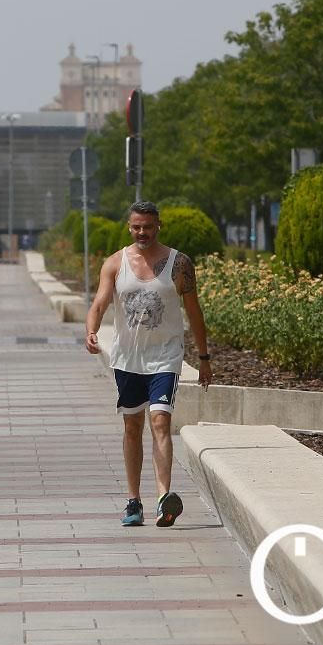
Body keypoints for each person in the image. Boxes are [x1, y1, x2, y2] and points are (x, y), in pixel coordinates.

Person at [85, 200, 212, 528]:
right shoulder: (115, 264)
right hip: (127, 358)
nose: (143, 232)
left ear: (159, 226)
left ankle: (163, 498)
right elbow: (99, 302)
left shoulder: (179, 263)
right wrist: (91, 330)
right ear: (130, 227)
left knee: (159, 422)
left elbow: (194, 311)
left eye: (149, 226)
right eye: (137, 227)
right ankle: (133, 501)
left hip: (165, 357)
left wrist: (204, 356)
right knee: (132, 427)